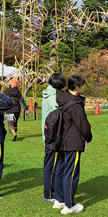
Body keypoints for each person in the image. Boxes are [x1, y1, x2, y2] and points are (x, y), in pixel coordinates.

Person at [55, 75, 92, 215]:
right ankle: (69, 205)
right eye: (82, 85)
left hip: (63, 140)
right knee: (71, 173)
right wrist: (88, 137)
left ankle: (60, 199)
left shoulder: (63, 98)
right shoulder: (74, 104)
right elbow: (82, 126)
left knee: (62, 170)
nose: (83, 87)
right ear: (77, 87)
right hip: (72, 142)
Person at [42, 73, 66, 205]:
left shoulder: (47, 94)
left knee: (49, 164)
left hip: (48, 135)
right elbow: (57, 118)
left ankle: (51, 191)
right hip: (53, 137)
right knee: (52, 166)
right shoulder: (53, 98)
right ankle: (50, 193)